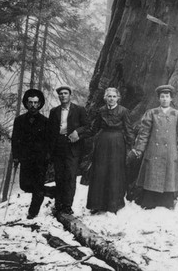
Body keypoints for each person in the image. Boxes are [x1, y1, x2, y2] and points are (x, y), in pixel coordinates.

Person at [132, 85, 178, 209]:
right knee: (152, 176)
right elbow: (144, 133)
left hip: (170, 152)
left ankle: (166, 202)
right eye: (162, 97)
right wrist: (140, 149)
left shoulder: (177, 114)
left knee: (168, 177)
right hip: (154, 151)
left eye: (167, 97)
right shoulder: (151, 113)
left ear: (171, 99)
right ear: (159, 99)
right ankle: (149, 202)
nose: (165, 99)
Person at [85, 88, 134, 213]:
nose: (111, 99)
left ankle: (114, 205)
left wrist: (131, 146)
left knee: (115, 172)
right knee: (99, 172)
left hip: (118, 143)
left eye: (114, 96)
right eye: (109, 96)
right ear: (105, 98)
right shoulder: (101, 111)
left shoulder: (123, 111)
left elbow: (129, 130)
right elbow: (94, 129)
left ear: (118, 98)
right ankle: (96, 204)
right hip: (103, 142)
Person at [48, 86, 88, 215]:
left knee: (70, 176)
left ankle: (67, 205)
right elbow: (50, 130)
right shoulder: (54, 111)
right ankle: (58, 204)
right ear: (58, 96)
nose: (63, 96)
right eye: (61, 94)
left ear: (70, 95)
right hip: (58, 146)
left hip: (73, 147)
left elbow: (87, 126)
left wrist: (77, 132)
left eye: (65, 93)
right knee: (59, 176)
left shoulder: (79, 110)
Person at [11, 89, 50, 219]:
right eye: (30, 102)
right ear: (26, 104)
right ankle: (47, 192)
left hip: (40, 160)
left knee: (38, 185)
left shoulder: (45, 122)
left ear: (40, 104)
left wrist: (47, 156)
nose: (33, 105)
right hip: (25, 158)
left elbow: (49, 141)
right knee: (25, 185)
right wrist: (16, 156)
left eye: (36, 103)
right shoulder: (19, 120)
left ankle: (33, 212)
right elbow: (15, 140)